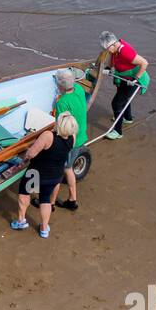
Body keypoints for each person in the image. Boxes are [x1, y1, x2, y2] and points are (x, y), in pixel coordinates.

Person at [10, 112, 77, 239]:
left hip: (36, 173)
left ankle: (21, 221)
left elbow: (31, 154)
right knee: (45, 200)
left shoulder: (48, 136)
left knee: (24, 193)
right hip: (55, 175)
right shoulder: (72, 137)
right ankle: (44, 228)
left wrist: (26, 153)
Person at [98, 30, 149, 140]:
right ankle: (128, 118)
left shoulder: (125, 51)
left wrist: (136, 79)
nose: (107, 51)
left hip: (134, 79)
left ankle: (118, 132)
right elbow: (115, 62)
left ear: (112, 44)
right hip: (124, 78)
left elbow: (144, 63)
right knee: (124, 99)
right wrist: (109, 69)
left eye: (107, 48)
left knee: (116, 103)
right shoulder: (115, 49)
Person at [49, 68, 87, 210]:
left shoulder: (62, 102)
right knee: (68, 168)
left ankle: (51, 203)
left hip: (70, 141)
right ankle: (72, 200)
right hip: (81, 135)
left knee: (59, 170)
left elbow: (61, 128)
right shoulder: (79, 89)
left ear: (59, 85)